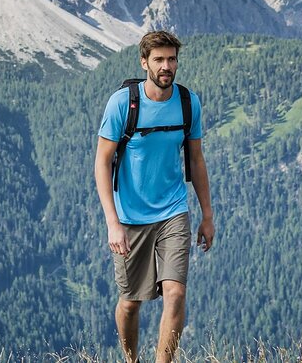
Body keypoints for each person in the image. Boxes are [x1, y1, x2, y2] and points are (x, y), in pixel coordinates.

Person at [94, 30, 214, 363]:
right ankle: (131, 359)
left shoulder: (188, 103)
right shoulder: (123, 104)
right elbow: (102, 163)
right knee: (131, 302)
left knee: (175, 294)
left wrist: (207, 214)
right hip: (130, 216)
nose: (166, 66)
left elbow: (196, 159)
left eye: (171, 59)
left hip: (173, 211)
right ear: (144, 62)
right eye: (159, 60)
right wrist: (112, 222)